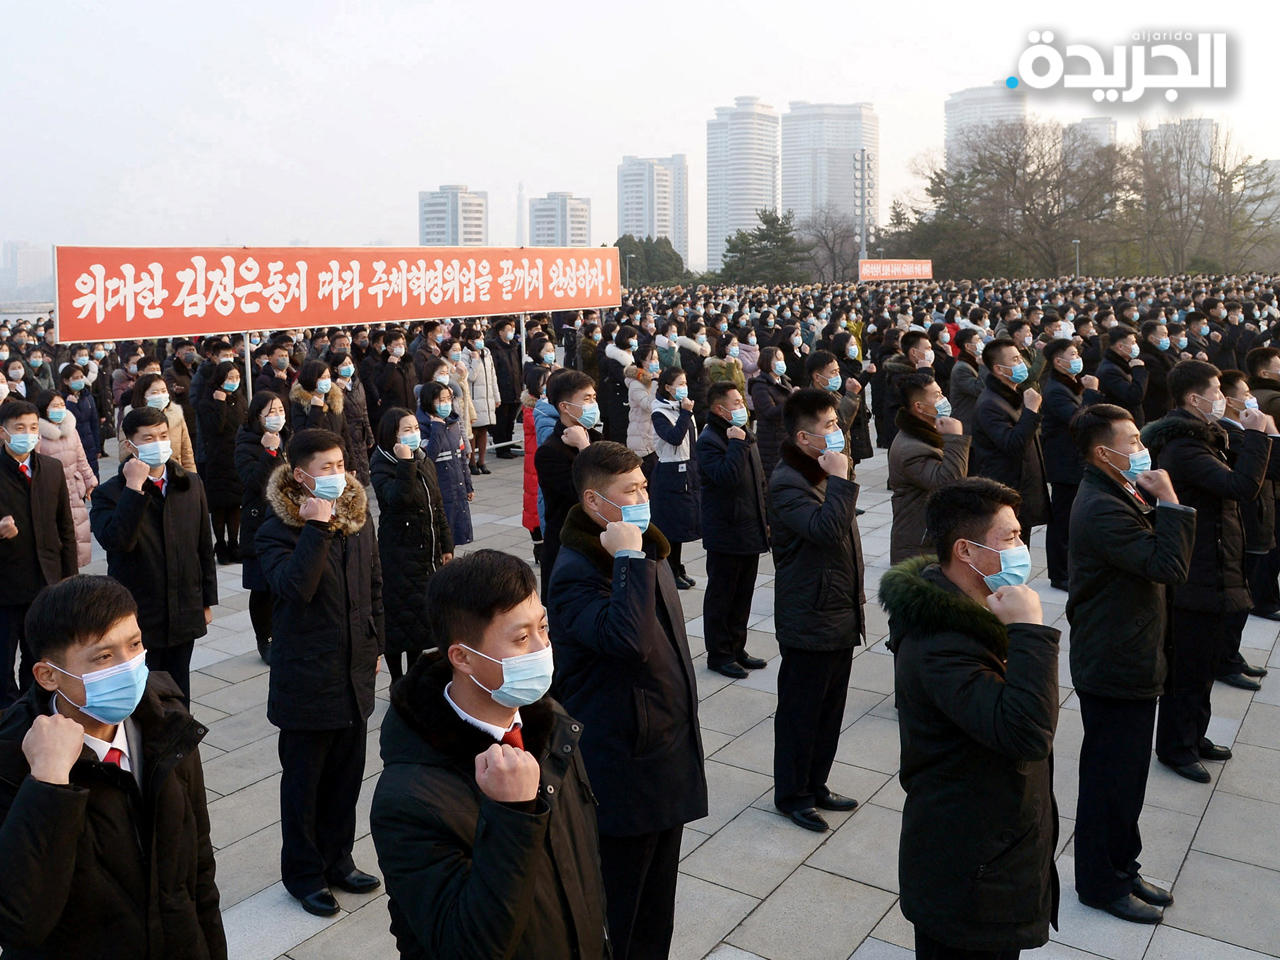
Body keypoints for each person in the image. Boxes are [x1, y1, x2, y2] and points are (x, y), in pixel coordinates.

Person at [370, 550, 608, 959]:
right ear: (462, 657)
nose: (542, 648)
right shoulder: (409, 799)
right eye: (521, 638)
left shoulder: (551, 722)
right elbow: (464, 945)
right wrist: (512, 816)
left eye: (543, 628)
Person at [0, 575, 226, 959]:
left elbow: (199, 870)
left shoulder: (167, 722)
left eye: (135, 644)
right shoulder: (11, 758)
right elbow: (19, 922)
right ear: (48, 675)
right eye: (104, 656)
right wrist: (48, 784)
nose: (129, 667)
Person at [880, 478, 1060, 959]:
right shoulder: (941, 641)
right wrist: (1030, 633)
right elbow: (1027, 732)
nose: (1022, 548)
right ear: (966, 549)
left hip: (996, 852)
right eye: (1011, 538)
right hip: (969, 874)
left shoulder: (975, 611)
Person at [546, 441, 707, 960]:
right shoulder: (582, 568)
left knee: (658, 904)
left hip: (666, 748)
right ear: (595, 504)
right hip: (624, 762)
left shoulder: (642, 548)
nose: (643, 497)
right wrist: (629, 560)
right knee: (622, 905)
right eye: (630, 490)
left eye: (643, 485)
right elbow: (629, 642)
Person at [1066, 403, 1196, 924]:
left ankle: (1123, 864)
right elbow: (1168, 565)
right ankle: (1101, 883)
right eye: (1132, 439)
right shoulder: (1101, 506)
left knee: (1127, 777)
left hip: (1131, 652)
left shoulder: (1117, 489)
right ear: (1103, 452)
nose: (1141, 447)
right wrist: (1171, 502)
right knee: (1110, 780)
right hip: (1115, 661)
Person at [255, 428, 385, 917]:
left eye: (341, 465)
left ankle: (339, 860)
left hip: (354, 672)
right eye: (326, 468)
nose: (338, 476)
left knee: (346, 778)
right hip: (307, 679)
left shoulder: (358, 517)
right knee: (305, 784)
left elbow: (375, 585)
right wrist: (315, 527)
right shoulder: (277, 529)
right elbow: (295, 589)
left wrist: (378, 646)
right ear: (300, 475)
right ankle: (304, 874)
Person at [1142, 360, 1270, 782]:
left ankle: (1194, 737)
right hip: (1195, 572)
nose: (1225, 396)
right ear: (1193, 399)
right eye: (1216, 390)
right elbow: (1241, 487)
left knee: (1203, 664)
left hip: (1213, 563)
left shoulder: (1204, 435)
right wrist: (1256, 434)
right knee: (1189, 668)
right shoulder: (1184, 446)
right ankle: (1176, 747)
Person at [768, 388, 865, 832]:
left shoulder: (819, 471)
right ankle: (792, 794)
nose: (838, 431)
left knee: (829, 710)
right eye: (828, 426)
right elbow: (826, 531)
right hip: (809, 614)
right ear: (805, 439)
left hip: (837, 609)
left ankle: (816, 782)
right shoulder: (789, 481)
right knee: (801, 712)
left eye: (836, 422)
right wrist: (842, 479)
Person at [91, 406, 216, 704]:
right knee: (144, 692)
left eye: (162, 435)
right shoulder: (109, 493)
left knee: (179, 686)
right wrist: (134, 489)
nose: (158, 442)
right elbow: (116, 541)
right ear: (129, 445)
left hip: (184, 604)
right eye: (148, 437)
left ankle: (181, 743)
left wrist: (207, 600)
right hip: (139, 610)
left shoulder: (190, 483)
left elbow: (202, 546)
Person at [0, 399, 77, 709]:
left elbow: (66, 528)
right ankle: (8, 721)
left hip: (45, 583)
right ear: (3, 433)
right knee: (2, 663)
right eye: (20, 428)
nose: (28, 434)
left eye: (33, 427)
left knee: (39, 659)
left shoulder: (52, 469)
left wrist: (69, 582)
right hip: (5, 588)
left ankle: (34, 713)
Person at [371, 406, 454, 682]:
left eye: (415, 429)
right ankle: (398, 680)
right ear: (391, 435)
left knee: (419, 620)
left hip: (426, 553)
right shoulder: (382, 464)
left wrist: (446, 544)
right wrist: (405, 464)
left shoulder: (424, 460)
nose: (413, 435)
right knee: (398, 621)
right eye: (406, 430)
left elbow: (437, 505)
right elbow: (397, 500)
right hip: (399, 554)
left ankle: (415, 676)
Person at [696, 381, 770, 678]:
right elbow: (727, 477)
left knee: (743, 595)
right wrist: (738, 443)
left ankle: (737, 648)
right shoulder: (710, 439)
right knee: (722, 596)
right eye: (737, 403)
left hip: (749, 528)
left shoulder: (743, 434)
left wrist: (766, 517)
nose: (743, 407)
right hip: (726, 532)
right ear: (719, 409)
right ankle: (719, 654)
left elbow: (758, 479)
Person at [1039, 339, 1103, 590]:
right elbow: (1080, 421)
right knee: (1062, 520)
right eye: (1073, 354)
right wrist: (1091, 392)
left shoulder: (1069, 384)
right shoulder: (1056, 390)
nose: (1078, 358)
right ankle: (1059, 573)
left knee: (1071, 518)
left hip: (1074, 461)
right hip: (1064, 463)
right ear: (1058, 361)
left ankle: (1071, 568)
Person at [888, 372, 970, 564]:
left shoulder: (929, 433)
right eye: (936, 396)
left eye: (941, 393)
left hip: (932, 535)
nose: (943, 400)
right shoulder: (911, 448)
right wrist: (956, 440)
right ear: (919, 407)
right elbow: (950, 483)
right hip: (919, 544)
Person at [972, 338, 1050, 533]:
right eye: (1015, 360)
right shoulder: (990, 404)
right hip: (1006, 491)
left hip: (1023, 489)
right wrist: (1031, 411)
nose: (1021, 364)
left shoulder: (1014, 394)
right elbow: (1013, 443)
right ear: (999, 369)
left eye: (1020, 359)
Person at [534, 371, 599, 604]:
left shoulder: (596, 437)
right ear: (565, 406)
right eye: (587, 399)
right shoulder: (549, 452)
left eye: (594, 398)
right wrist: (584, 449)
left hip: (598, 546)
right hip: (567, 548)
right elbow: (590, 494)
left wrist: (586, 444)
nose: (594, 405)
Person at [235, 391, 289, 664]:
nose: (277, 416)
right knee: (262, 587)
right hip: (260, 521)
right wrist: (268, 452)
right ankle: (264, 638)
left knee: (281, 584)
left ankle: (282, 633)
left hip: (286, 521)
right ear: (257, 416)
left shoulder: (286, 439)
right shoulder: (246, 443)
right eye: (270, 412)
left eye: (280, 409)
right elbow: (254, 482)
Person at [34, 391, 98, 569]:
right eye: (54, 406)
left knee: (76, 533)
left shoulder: (71, 430)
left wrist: (89, 481)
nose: (59, 409)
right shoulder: (38, 434)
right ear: (44, 409)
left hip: (74, 488)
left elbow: (81, 459)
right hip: (50, 492)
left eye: (62, 405)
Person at [195, 360, 246, 564]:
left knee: (235, 504)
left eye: (236, 378)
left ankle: (234, 543)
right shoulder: (207, 401)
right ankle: (221, 545)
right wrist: (219, 402)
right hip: (217, 458)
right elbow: (215, 428)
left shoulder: (239, 399)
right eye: (229, 378)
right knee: (219, 506)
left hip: (236, 457)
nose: (233, 382)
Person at [419, 380, 474, 549]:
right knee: (441, 537)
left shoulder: (453, 423)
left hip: (456, 489)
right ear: (429, 401)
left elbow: (461, 458)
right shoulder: (422, 427)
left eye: (448, 399)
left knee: (454, 536)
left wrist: (468, 485)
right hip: (439, 489)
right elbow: (429, 457)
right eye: (441, 400)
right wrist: (436, 428)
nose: (446, 404)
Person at [127, 374, 197, 472]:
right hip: (142, 473)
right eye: (155, 392)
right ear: (143, 396)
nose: (160, 395)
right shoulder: (131, 419)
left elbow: (187, 452)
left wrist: (192, 477)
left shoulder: (176, 415)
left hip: (177, 473)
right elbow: (125, 453)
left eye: (164, 391)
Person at [750, 345, 794, 478]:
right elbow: (769, 412)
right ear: (767, 362)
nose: (781, 363)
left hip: (786, 436)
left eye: (782, 359)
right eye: (778, 360)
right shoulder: (760, 386)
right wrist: (792, 400)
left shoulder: (784, 381)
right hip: (771, 441)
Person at [1097, 326, 1150, 427]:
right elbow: (1134, 396)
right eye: (1133, 343)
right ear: (1120, 346)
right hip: (1121, 425)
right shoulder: (1110, 370)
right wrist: (1139, 370)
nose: (1136, 346)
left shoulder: (1123, 364)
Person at [463, 327, 499, 474]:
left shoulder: (487, 353)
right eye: (478, 339)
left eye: (482, 338)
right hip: (473, 398)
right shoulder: (465, 355)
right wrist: (476, 360)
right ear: (470, 341)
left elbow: (493, 377)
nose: (481, 341)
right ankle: (471, 462)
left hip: (486, 397)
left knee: (484, 430)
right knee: (473, 431)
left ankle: (482, 461)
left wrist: (496, 396)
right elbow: (470, 376)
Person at [488, 317, 524, 458]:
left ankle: (508, 443)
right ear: (500, 332)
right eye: (508, 330)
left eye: (512, 329)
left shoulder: (514, 346)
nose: (511, 332)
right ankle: (501, 448)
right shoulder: (495, 348)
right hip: (502, 390)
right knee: (501, 421)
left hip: (515, 389)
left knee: (510, 420)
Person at [58, 362, 101, 478]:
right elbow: (65, 421)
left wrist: (98, 446)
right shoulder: (60, 399)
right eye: (75, 378)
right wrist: (70, 405)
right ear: (66, 381)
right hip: (72, 444)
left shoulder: (88, 397)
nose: (79, 380)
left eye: (81, 377)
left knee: (92, 476)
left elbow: (94, 423)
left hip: (90, 443)